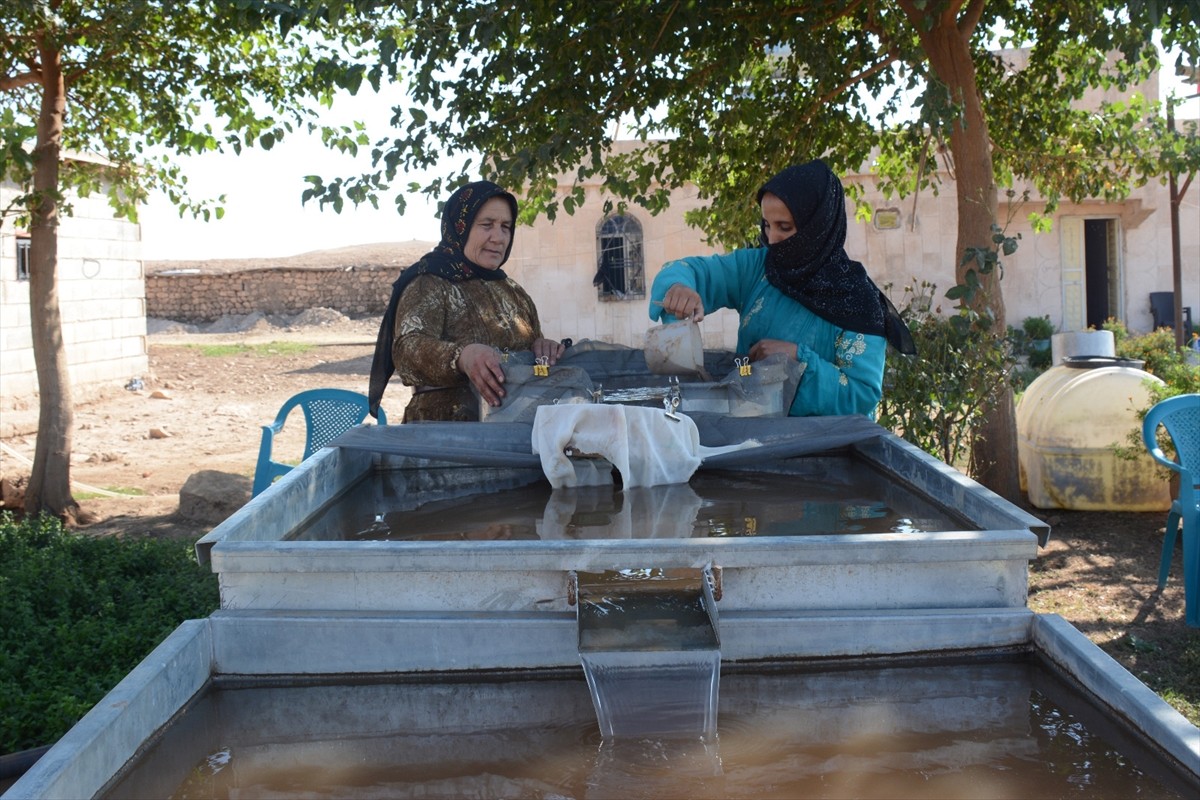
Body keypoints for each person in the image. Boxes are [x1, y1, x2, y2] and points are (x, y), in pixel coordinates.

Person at [650, 159, 915, 418]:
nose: (772, 239)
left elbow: (861, 395)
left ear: (818, 226)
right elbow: (694, 271)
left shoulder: (857, 300)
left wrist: (797, 360)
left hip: (825, 453)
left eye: (784, 227)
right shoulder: (759, 269)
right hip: (748, 437)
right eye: (767, 225)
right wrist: (680, 287)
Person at [368, 180, 566, 422]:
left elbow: (531, 349)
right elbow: (406, 349)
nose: (499, 237)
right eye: (486, 225)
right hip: (445, 437)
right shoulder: (430, 282)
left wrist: (542, 348)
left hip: (515, 433)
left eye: (506, 226)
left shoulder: (514, 292)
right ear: (460, 228)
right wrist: (462, 357)